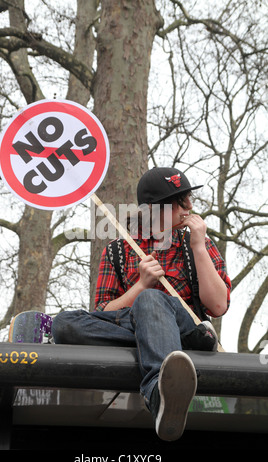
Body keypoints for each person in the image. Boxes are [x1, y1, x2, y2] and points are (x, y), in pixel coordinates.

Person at [52, 167, 231, 441]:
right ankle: (172, 343)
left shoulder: (198, 241)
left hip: (186, 326)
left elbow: (218, 306)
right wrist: (141, 286)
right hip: (135, 328)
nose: (190, 208)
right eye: (181, 201)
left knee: (153, 301)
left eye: (188, 199)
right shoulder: (119, 249)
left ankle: (159, 392)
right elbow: (104, 314)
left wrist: (198, 246)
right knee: (64, 324)